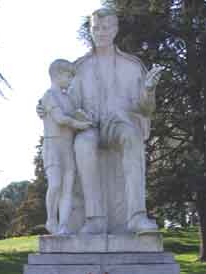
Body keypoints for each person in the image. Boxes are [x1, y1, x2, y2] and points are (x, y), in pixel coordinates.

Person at [68, 8, 162, 234]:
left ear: (115, 30)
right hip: (90, 125)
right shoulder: (79, 67)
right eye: (96, 28)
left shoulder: (132, 65)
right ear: (91, 30)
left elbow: (146, 108)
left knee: (131, 136)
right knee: (82, 144)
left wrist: (148, 91)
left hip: (119, 123)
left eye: (107, 27)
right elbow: (69, 104)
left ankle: (137, 216)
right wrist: (48, 107)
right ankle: (95, 218)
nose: (101, 32)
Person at [39, 59, 93, 235]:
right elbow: (61, 119)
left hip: (67, 147)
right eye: (68, 76)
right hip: (53, 145)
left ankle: (63, 226)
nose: (70, 80)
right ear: (57, 75)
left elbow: (75, 113)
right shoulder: (48, 95)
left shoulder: (68, 98)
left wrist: (83, 118)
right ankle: (51, 219)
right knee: (55, 185)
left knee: (67, 188)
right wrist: (79, 124)